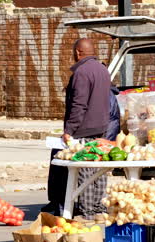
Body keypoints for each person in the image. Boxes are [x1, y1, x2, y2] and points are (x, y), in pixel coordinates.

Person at [42, 38, 111, 219]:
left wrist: (69, 130)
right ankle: (98, 207)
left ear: (78, 52)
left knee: (85, 170)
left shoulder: (81, 72)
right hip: (101, 127)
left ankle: (88, 211)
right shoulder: (103, 70)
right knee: (99, 169)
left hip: (84, 129)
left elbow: (78, 105)